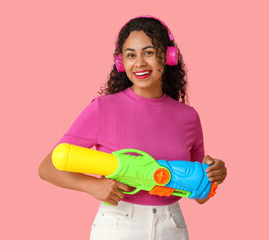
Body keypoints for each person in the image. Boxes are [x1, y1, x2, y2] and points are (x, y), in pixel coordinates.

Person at [38, 15, 227, 240]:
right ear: (121, 63)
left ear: (168, 56)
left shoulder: (188, 117)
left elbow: (199, 195)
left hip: (172, 226)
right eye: (130, 55)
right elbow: (47, 168)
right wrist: (93, 186)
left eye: (148, 52)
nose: (139, 63)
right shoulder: (103, 108)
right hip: (119, 223)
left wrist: (214, 174)